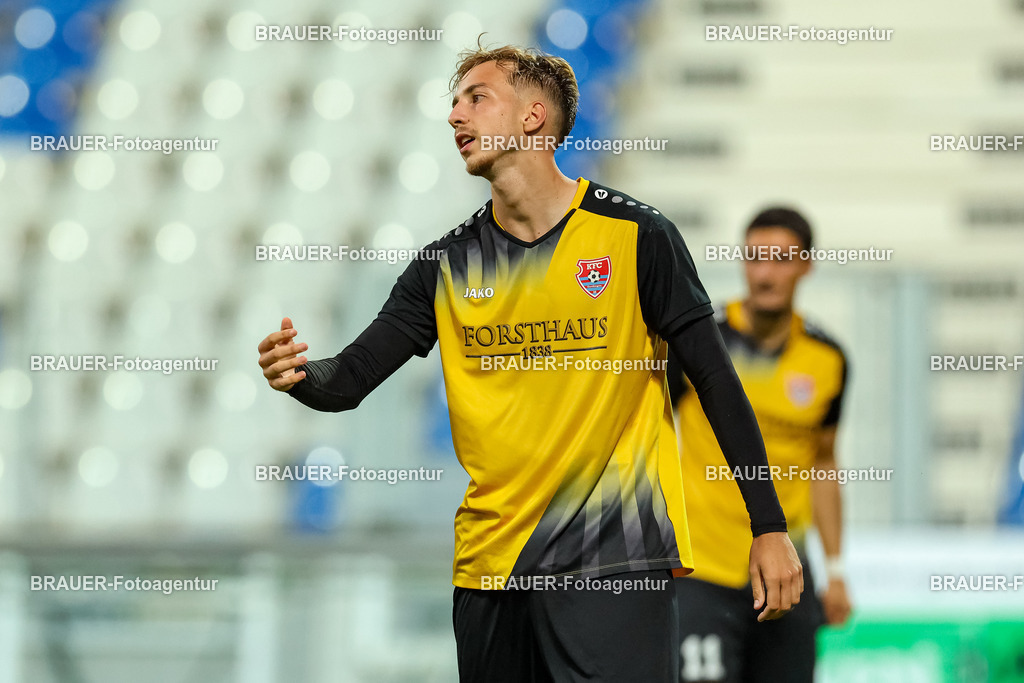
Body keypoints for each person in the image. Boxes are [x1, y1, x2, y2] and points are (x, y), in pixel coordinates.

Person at [258, 44, 802, 682]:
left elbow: (716, 382)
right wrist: (300, 375)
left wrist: (767, 526)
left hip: (614, 558)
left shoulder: (637, 236)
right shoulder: (446, 266)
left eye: (476, 98)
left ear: (533, 116)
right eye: (453, 103)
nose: (455, 116)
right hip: (491, 567)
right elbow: (349, 379)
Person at [669, 207, 852, 683]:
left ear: (806, 265)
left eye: (780, 259)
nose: (764, 274)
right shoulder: (700, 339)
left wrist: (835, 569)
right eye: (754, 258)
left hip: (786, 575)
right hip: (703, 570)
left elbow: (824, 464)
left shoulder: (827, 359)